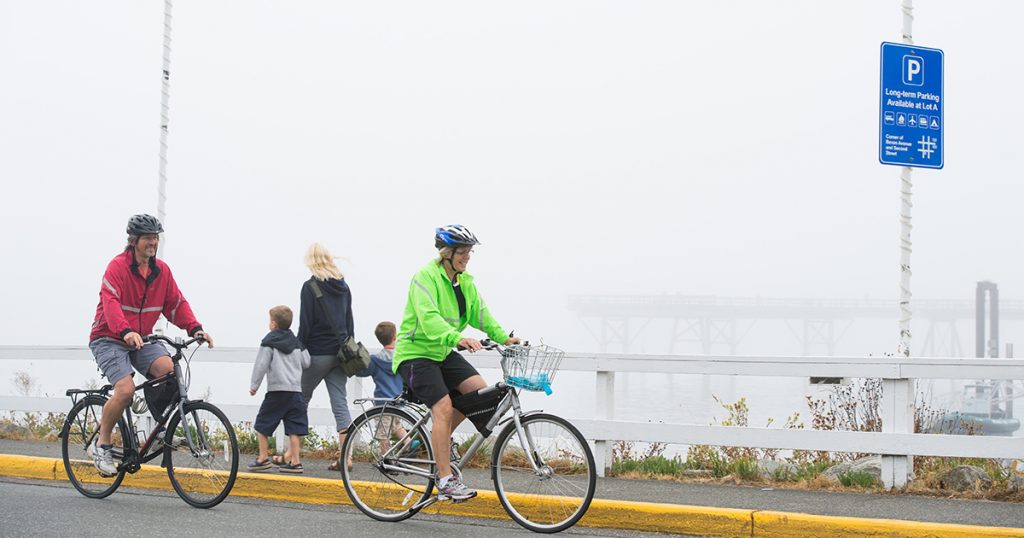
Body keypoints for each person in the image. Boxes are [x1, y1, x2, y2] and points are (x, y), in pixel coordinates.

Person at [393, 224, 520, 502]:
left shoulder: (465, 283)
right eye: (462, 252)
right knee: (443, 407)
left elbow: (481, 315)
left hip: (441, 351)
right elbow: (428, 319)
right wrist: (457, 338)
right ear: (446, 253)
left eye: (469, 252)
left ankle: (436, 442)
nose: (467, 257)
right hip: (415, 354)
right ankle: (446, 479)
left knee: (479, 393)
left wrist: (503, 338)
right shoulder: (425, 277)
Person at [88, 214, 213, 477]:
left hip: (141, 338)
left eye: (156, 237)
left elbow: (176, 304)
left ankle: (157, 432)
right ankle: (102, 444)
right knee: (125, 390)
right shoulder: (117, 267)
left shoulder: (162, 271)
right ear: (134, 241)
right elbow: (110, 304)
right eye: (148, 238)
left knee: (168, 371)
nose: (153, 242)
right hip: (109, 337)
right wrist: (125, 331)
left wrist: (195, 328)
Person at [288, 242, 355, 471]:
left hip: (317, 352)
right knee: (340, 404)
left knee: (299, 400)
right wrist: (349, 347)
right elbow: (349, 321)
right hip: (340, 353)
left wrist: (299, 347)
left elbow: (305, 324)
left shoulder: (310, 287)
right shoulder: (343, 286)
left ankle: (292, 455)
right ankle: (345, 458)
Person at [248, 305, 311, 473]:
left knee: (262, 424)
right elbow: (307, 362)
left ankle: (262, 458)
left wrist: (254, 385)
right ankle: (295, 462)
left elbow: (261, 365)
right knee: (295, 428)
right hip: (296, 392)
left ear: (274, 324)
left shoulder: (269, 342)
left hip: (276, 391)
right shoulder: (297, 343)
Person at [355, 321, 403, 401]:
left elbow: (359, 372)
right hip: (402, 405)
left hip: (382, 405)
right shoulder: (404, 359)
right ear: (395, 337)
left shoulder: (374, 360)